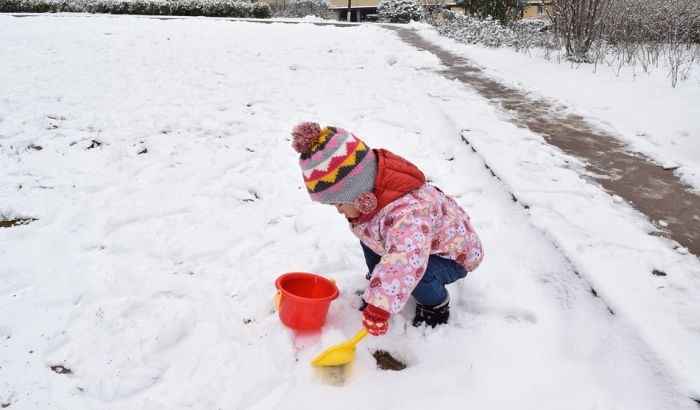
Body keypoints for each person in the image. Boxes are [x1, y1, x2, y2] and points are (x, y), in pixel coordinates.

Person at [290, 122, 483, 336]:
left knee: (417, 272)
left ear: (358, 193)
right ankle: (382, 281)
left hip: (450, 258)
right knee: (370, 236)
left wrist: (380, 305)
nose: (338, 211)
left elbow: (407, 258)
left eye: (339, 204)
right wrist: (381, 287)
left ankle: (436, 304)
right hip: (418, 247)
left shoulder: (407, 213)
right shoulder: (375, 199)